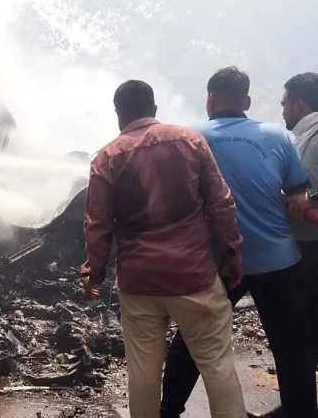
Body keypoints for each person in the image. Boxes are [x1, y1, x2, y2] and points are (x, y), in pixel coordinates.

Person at [83, 79, 246, 418]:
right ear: (154, 109)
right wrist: (231, 255)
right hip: (194, 277)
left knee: (143, 372)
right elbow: (221, 205)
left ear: (118, 114)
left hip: (139, 282)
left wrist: (94, 272)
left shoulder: (106, 157)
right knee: (217, 365)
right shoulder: (191, 141)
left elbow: (97, 224)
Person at [160, 67, 317, 418]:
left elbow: (176, 199)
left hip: (216, 260)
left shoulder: (189, 138)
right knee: (292, 344)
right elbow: (296, 191)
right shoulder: (276, 137)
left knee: (192, 337)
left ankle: (168, 410)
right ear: (247, 102)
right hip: (278, 258)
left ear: (209, 99)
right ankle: (301, 411)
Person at [281, 71, 318, 366]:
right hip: (304, 246)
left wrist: (312, 198)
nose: (282, 111)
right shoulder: (304, 136)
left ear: (299, 104)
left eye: (284, 104)